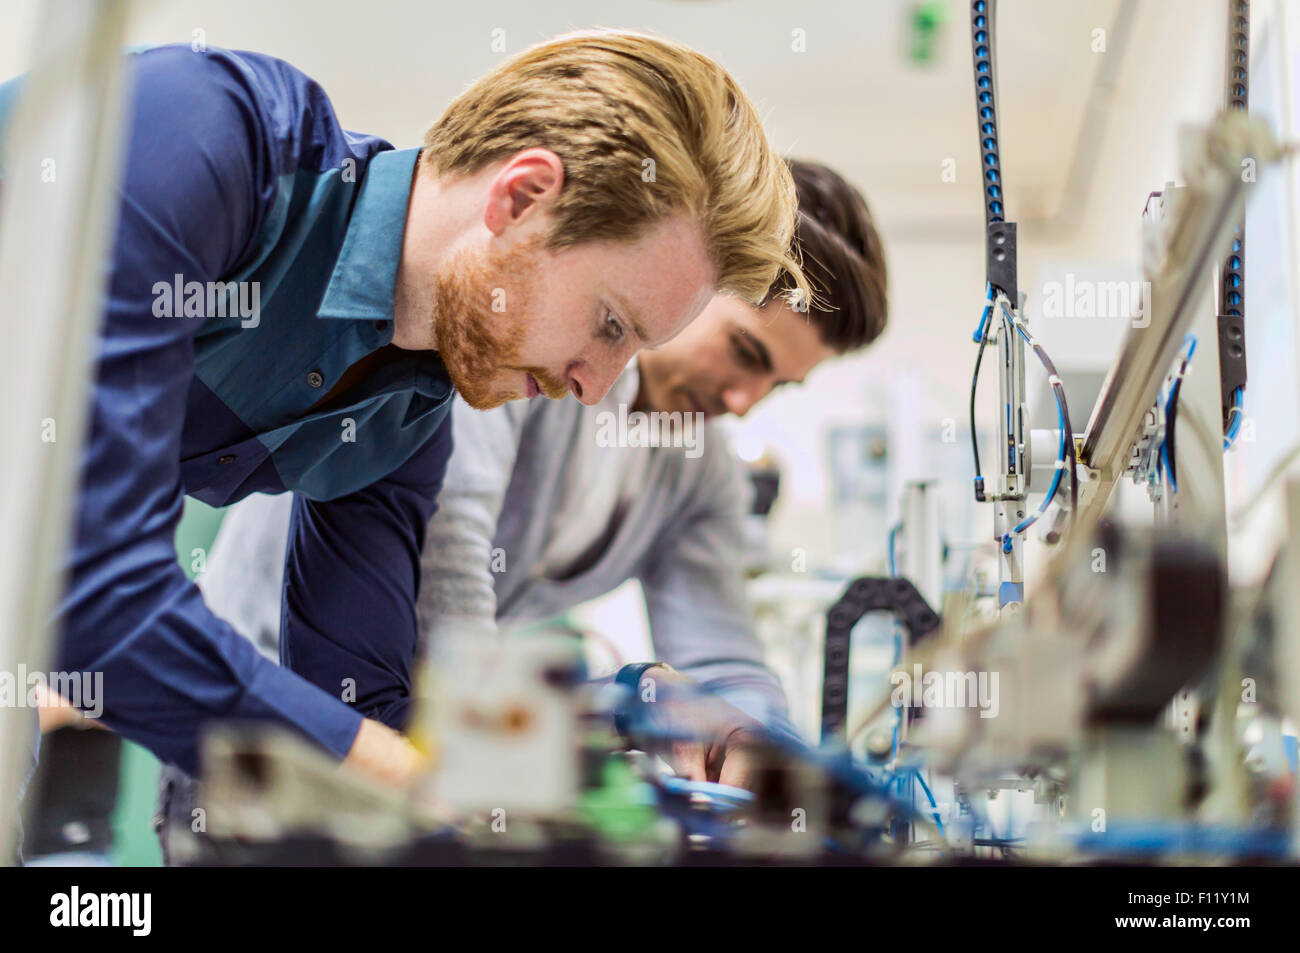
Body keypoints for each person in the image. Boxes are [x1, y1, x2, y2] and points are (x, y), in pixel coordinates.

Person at [11, 31, 806, 790]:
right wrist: (404, 780)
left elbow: (367, 709)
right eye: (608, 326)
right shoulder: (204, 138)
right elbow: (88, 586)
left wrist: (631, 710)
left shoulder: (407, 412)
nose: (594, 387)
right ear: (523, 197)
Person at [185, 160, 886, 794]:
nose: (744, 401)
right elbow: (446, 611)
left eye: (779, 386)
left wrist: (777, 766)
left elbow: (724, 656)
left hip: (424, 737)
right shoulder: (532, 364)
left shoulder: (699, 470)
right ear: (693, 285)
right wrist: (631, 700)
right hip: (264, 726)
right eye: (745, 353)